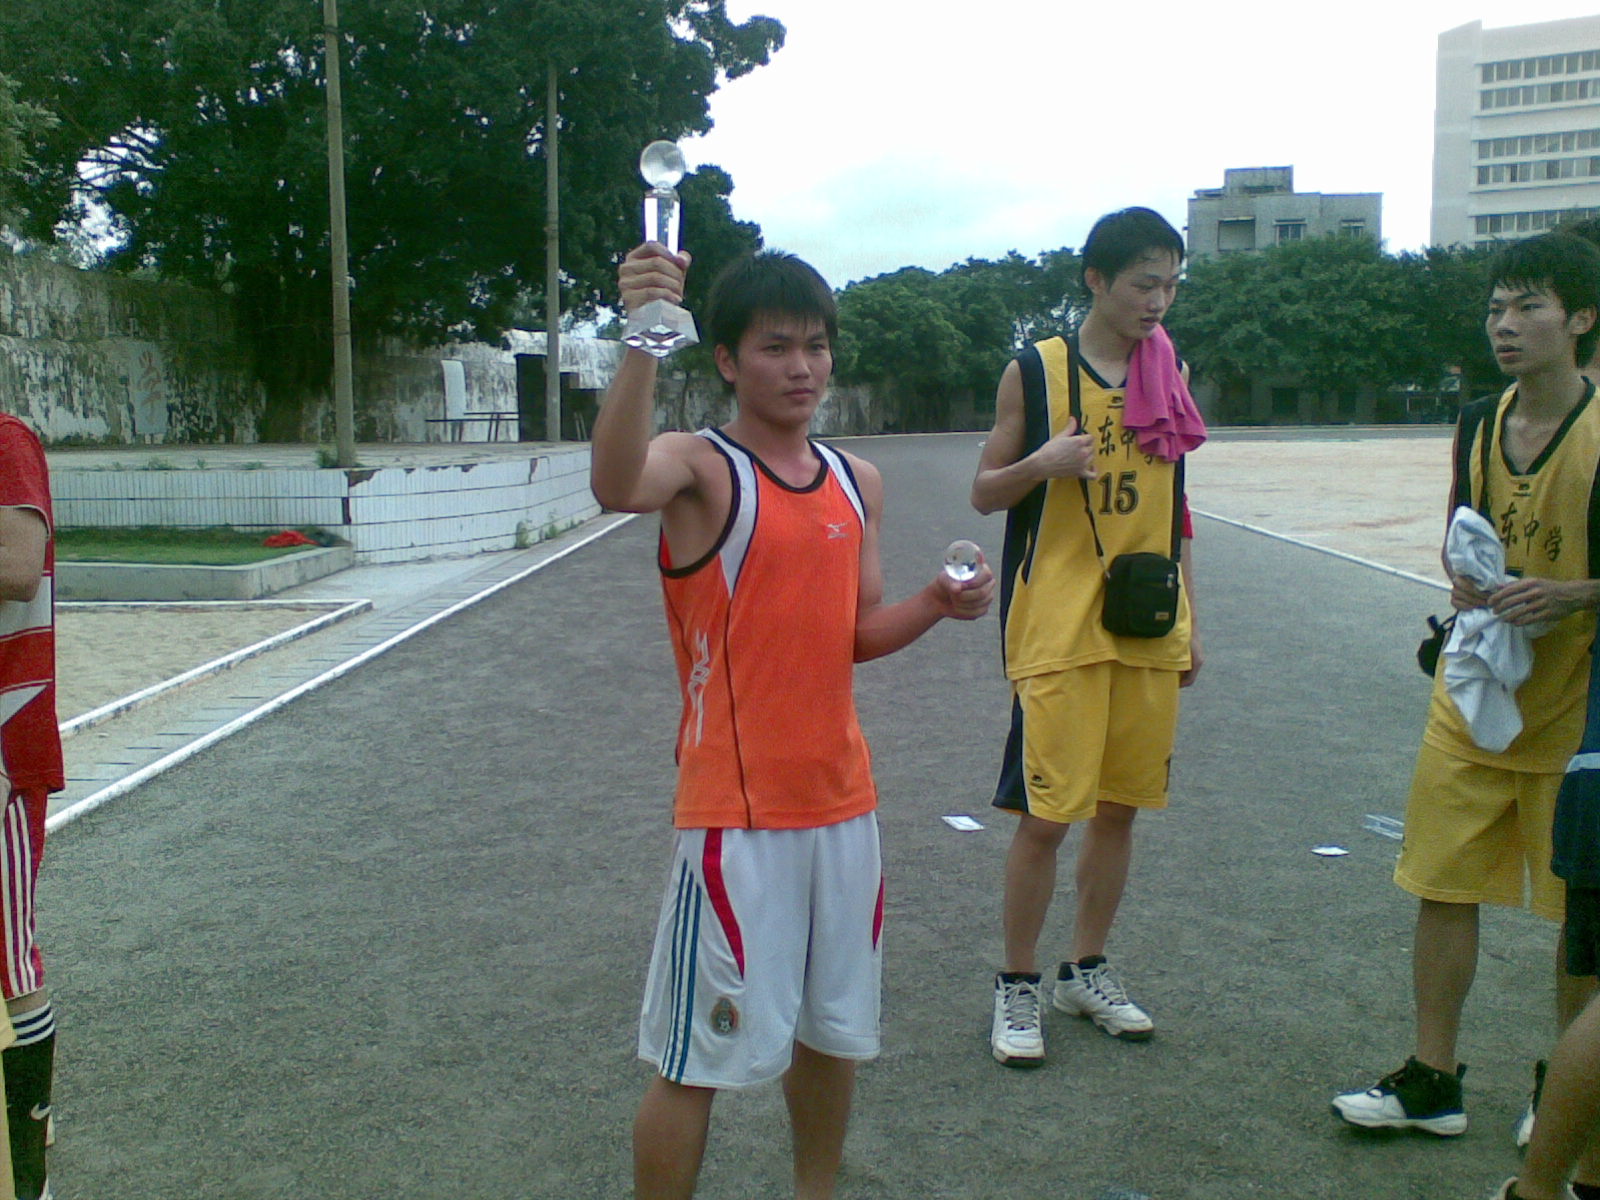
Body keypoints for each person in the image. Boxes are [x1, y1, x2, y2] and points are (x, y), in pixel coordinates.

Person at [591, 243, 995, 1199]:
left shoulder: (857, 481)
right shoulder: (699, 466)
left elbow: (852, 635)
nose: (802, 367)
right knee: (693, 1060)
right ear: (727, 360)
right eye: (775, 348)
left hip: (842, 805)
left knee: (832, 1035)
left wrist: (937, 603)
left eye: (816, 346)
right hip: (736, 818)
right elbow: (615, 483)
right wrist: (644, 336)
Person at [1332, 232, 1600, 1139]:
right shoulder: (1480, 422)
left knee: (1579, 912)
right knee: (1441, 881)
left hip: (1575, 706)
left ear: (1582, 318)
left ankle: (1563, 1091)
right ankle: (1432, 1077)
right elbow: (1464, 528)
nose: (1505, 325)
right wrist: (1465, 578)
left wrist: (1572, 594)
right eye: (1495, 308)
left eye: (1529, 306)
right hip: (1479, 686)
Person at [971, 207, 1204, 1066]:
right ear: (1096, 280)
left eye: (1170, 284)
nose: (1158, 300)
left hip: (1146, 622)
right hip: (1059, 625)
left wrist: (1191, 616)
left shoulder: (1169, 369)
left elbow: (1175, 504)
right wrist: (1044, 464)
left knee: (1120, 810)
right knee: (1046, 817)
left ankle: (1086, 970)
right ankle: (1017, 984)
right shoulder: (1036, 372)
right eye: (1144, 283)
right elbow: (985, 491)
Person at [0, 413, 63, 1200]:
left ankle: (27, 1172)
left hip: (3, 751)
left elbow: (17, 567)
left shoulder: (6, 440)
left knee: (7, 959)